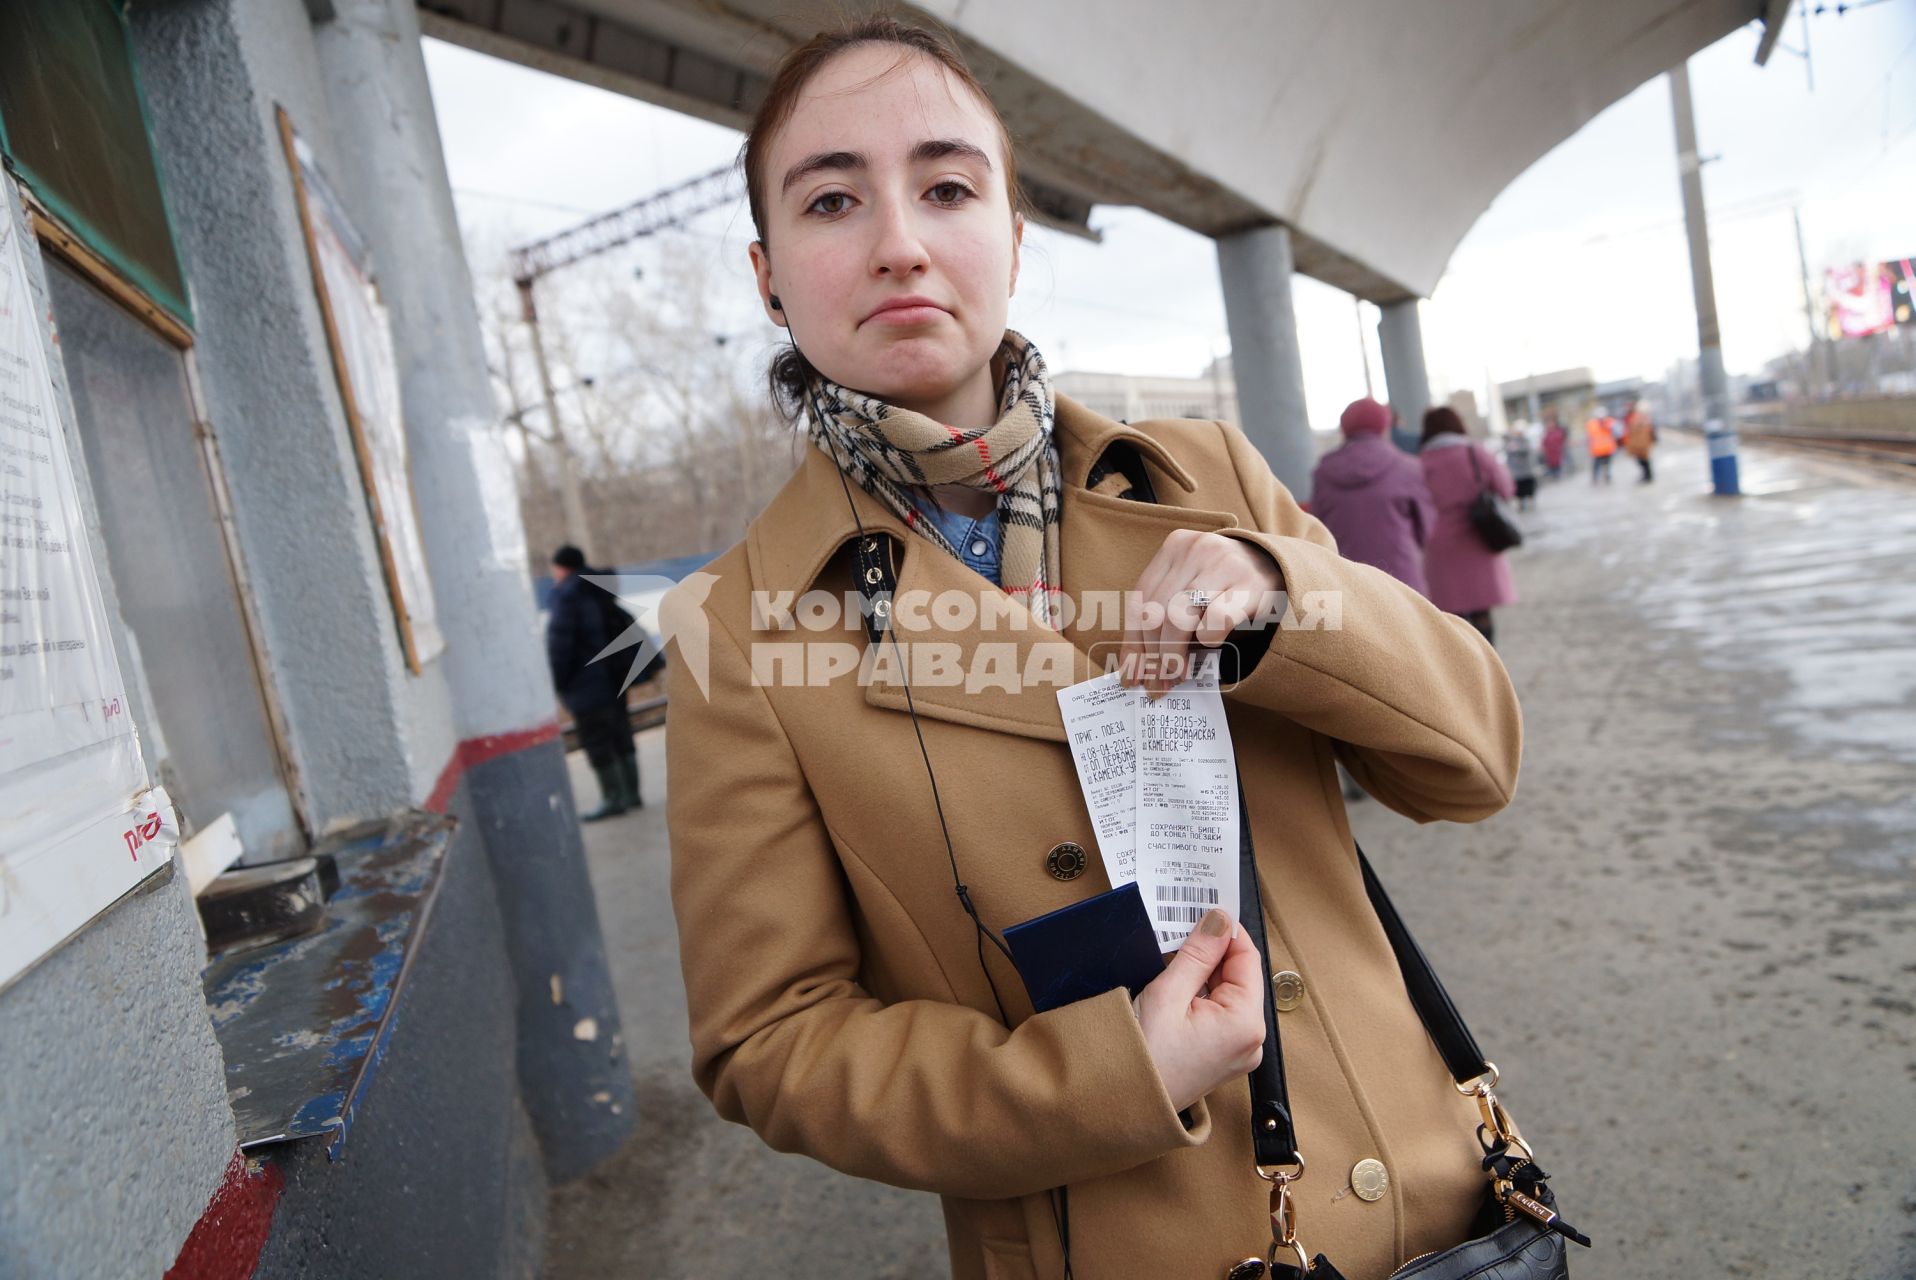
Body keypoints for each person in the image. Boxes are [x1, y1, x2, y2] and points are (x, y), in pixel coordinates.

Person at [662, 18, 1521, 1280]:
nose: (899, 241)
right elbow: (768, 1040)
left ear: (1013, 239)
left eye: (947, 188)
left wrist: (1283, 595)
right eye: (832, 199)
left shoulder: (1206, 480)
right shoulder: (742, 632)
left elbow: (1474, 760)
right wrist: (1108, 1073)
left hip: (1430, 1203)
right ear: (767, 272)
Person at [546, 545, 640, 819]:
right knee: (621, 732)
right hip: (614, 677)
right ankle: (632, 793)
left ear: (562, 568)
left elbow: (560, 646)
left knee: (596, 739)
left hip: (587, 683)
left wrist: (558, 681)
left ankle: (613, 799)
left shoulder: (567, 598)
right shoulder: (599, 589)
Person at [1307, 396, 1435, 595]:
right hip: (1402, 580)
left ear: (1345, 428)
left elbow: (1317, 527)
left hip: (1348, 581)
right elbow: (1425, 528)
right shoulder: (1408, 467)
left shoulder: (1324, 472)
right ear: (1384, 426)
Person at [1418, 407, 1519, 645]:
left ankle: (1463, 670)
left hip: (1439, 544)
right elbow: (1506, 489)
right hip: (1478, 537)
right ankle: (1488, 664)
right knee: (1482, 610)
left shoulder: (1421, 462)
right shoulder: (1476, 453)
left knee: (1453, 616)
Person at [1504, 426, 1539, 511]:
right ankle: (1521, 504)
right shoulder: (1510, 442)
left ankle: (1530, 503)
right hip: (1516, 471)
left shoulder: (1525, 441)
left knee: (1529, 488)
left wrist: (1517, 449)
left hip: (1526, 470)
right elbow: (1508, 454)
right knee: (1519, 489)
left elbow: (1527, 450)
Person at [1623, 398, 1657, 483]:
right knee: (1642, 460)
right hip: (1639, 443)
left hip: (1641, 443)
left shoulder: (1640, 418)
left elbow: (1644, 430)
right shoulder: (1635, 418)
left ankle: (1648, 476)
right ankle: (1647, 475)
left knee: (1644, 460)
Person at [1585, 411, 1617, 484]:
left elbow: (1615, 430)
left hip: (1607, 448)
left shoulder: (1608, 422)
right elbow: (1589, 437)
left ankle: (1605, 476)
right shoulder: (1592, 424)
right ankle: (1595, 478)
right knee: (1597, 465)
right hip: (1598, 449)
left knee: (1606, 465)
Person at [1540, 412, 1568, 480]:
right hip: (1550, 454)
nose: (1550, 424)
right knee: (1552, 469)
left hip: (1558, 453)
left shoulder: (1559, 431)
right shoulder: (1546, 433)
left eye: (1552, 422)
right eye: (1549, 423)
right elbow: (1544, 443)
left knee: (1559, 468)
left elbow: (1563, 441)